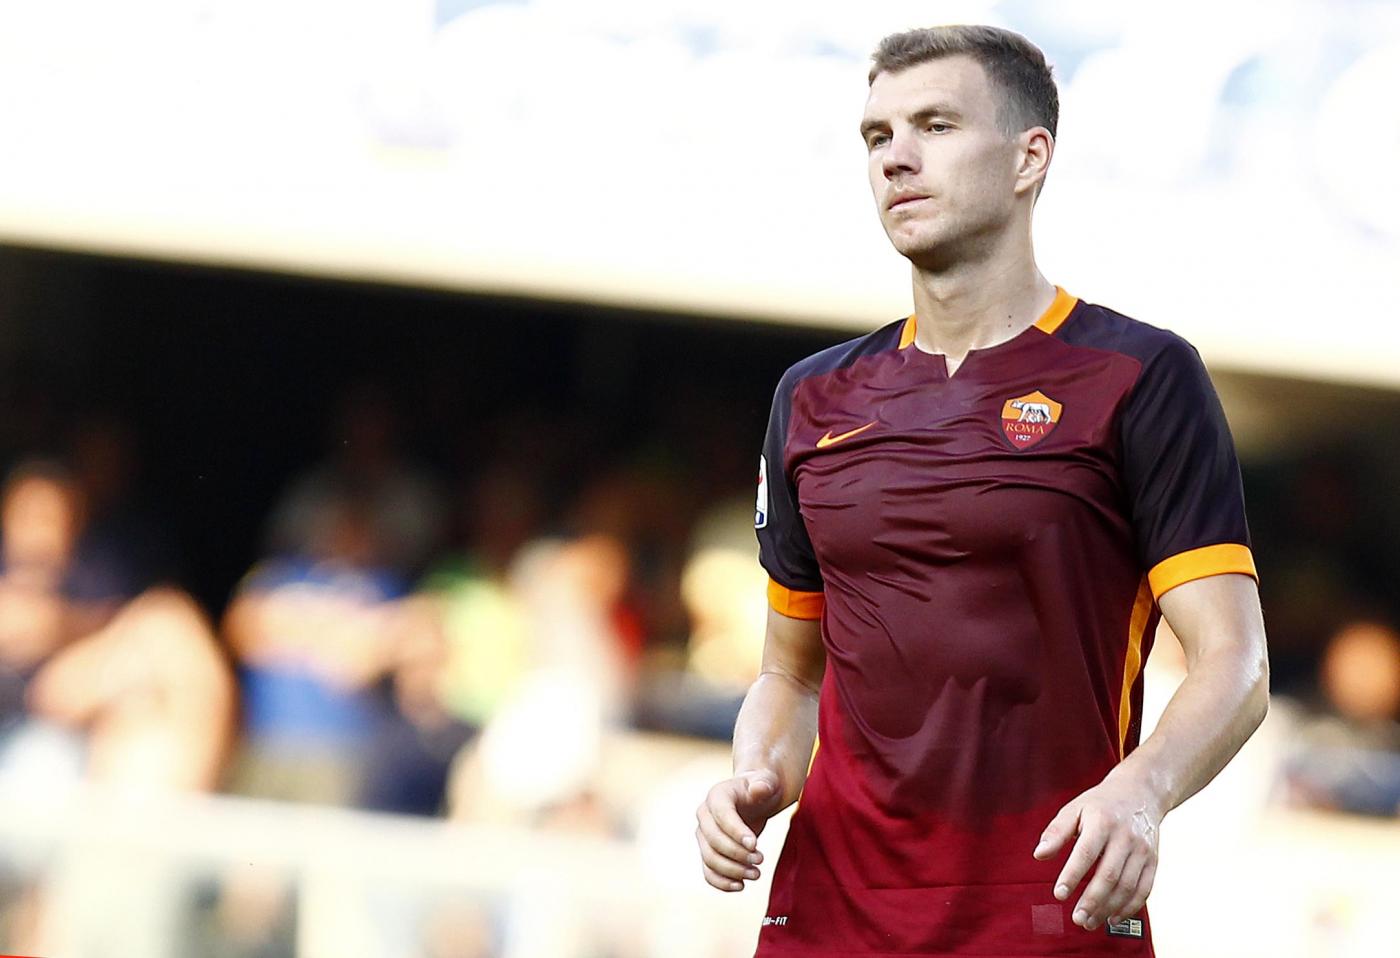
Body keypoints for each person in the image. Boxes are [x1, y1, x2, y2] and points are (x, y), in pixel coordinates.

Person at [695, 25, 1270, 957]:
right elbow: (791, 672)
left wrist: (1143, 790)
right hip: (831, 912)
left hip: (1046, 908)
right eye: (877, 136)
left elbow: (1234, 661)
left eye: (936, 126)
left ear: (1028, 158)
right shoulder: (812, 397)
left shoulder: (1138, 376)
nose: (897, 158)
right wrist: (755, 776)